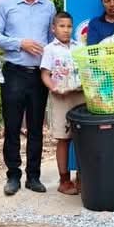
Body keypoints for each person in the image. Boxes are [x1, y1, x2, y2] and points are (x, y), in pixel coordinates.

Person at [0, 0, 56, 195]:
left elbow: (52, 39)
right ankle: (13, 175)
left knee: (36, 127)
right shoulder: (6, 5)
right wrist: (20, 43)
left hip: (39, 75)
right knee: (12, 126)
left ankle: (34, 176)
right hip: (14, 73)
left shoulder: (48, 6)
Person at [41, 11, 85, 195]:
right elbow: (45, 74)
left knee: (84, 138)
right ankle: (64, 180)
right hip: (61, 99)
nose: (66, 30)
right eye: (61, 26)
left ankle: (82, 178)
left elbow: (86, 70)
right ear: (53, 28)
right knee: (63, 138)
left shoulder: (79, 47)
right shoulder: (50, 49)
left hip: (80, 97)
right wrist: (54, 88)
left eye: (69, 26)